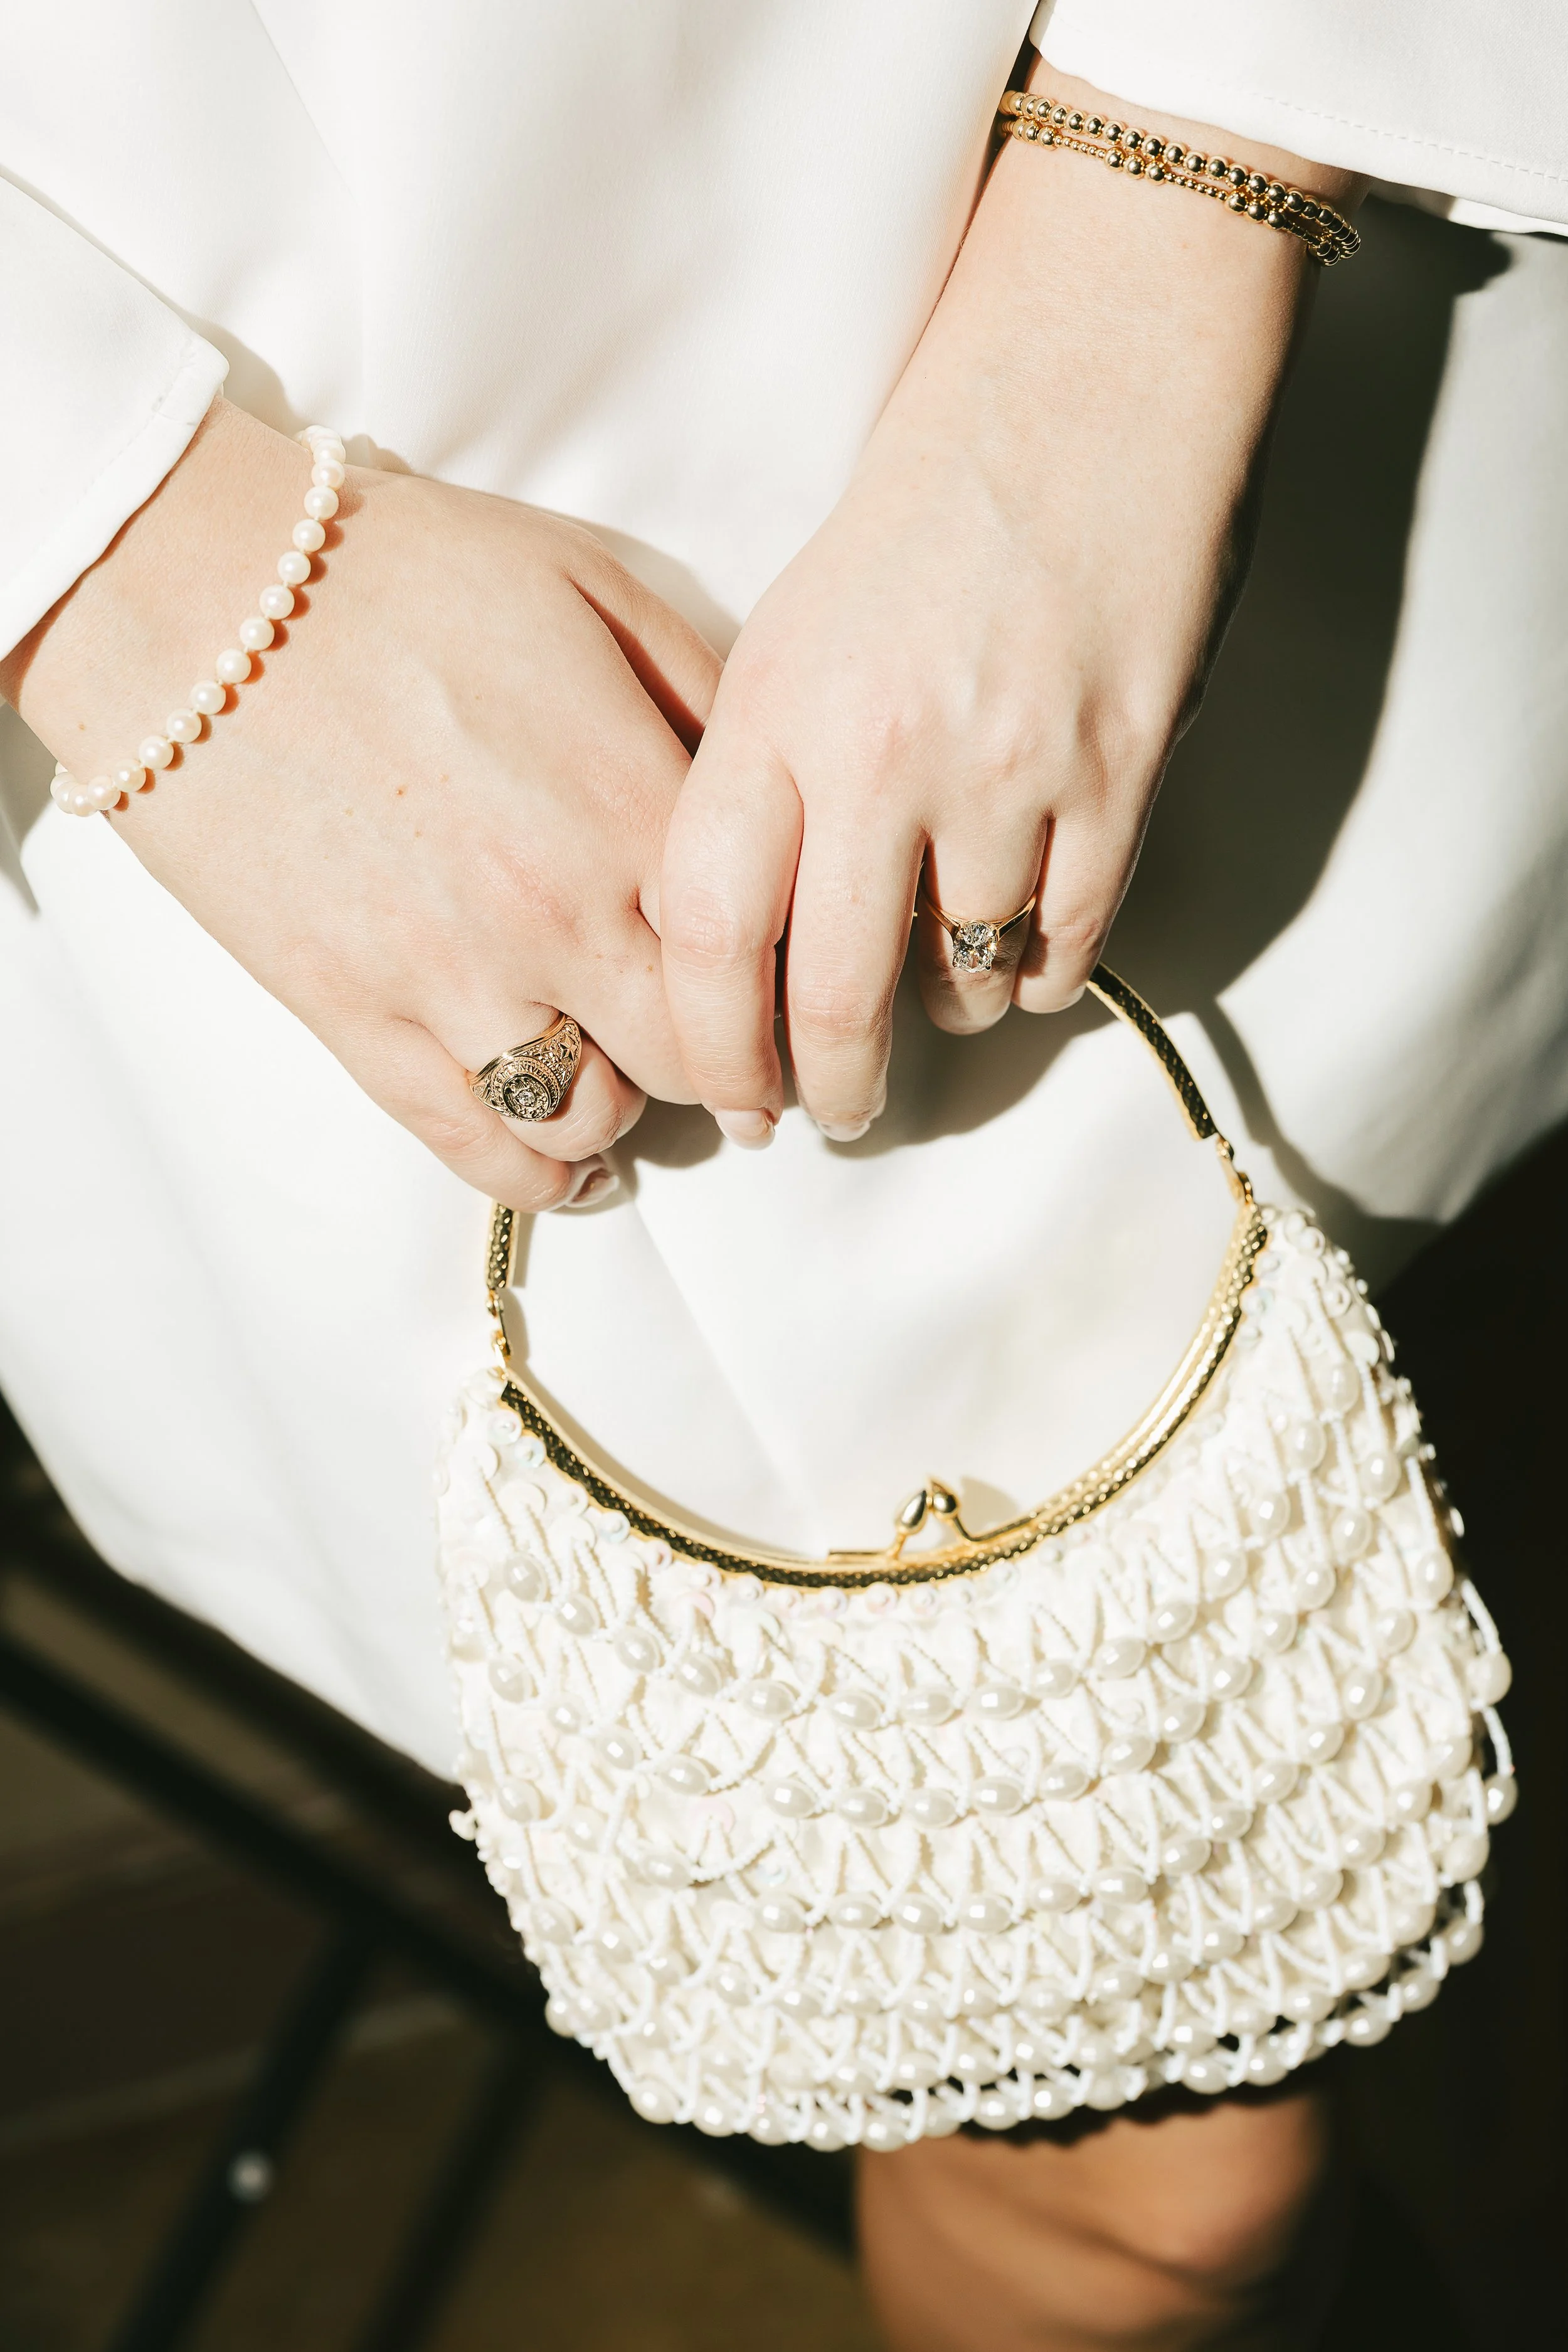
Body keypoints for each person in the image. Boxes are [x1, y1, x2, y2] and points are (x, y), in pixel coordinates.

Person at [1, 6, 1564, 2344]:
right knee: (1136, 2168)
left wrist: (1166, 201)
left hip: (1241, 204)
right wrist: (131, 548)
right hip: (275, 702)